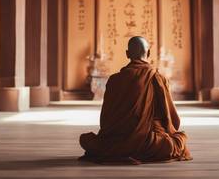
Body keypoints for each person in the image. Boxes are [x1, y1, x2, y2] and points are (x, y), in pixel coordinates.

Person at [79, 36, 192, 164]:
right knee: (178, 141)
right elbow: (170, 118)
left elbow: (105, 121)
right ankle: (140, 147)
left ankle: (123, 148)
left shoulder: (114, 80)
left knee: (87, 140)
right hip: (150, 142)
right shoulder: (158, 78)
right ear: (148, 53)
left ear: (127, 54)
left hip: (118, 140)